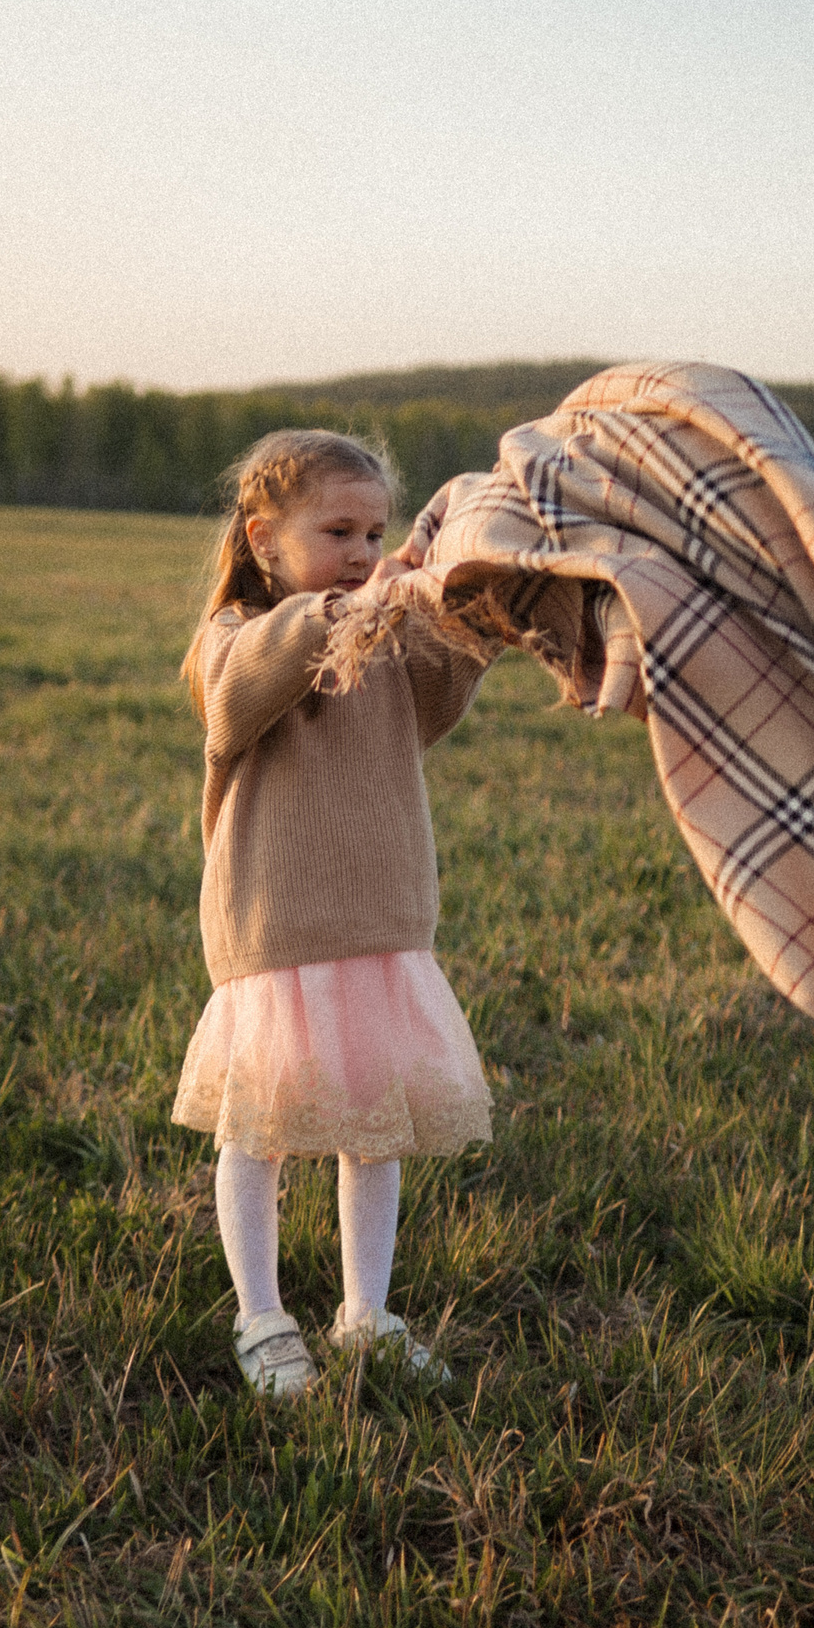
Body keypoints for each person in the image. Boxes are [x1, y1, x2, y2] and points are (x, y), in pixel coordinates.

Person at [173, 429, 494, 1397]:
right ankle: (262, 1315)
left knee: (374, 1126)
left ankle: (366, 1312)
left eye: (375, 532)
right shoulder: (236, 635)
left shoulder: (378, 630)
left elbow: (432, 701)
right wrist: (348, 603)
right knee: (259, 1130)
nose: (361, 550)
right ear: (266, 538)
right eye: (338, 530)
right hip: (277, 926)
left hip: (382, 918)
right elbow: (235, 703)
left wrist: (456, 609)